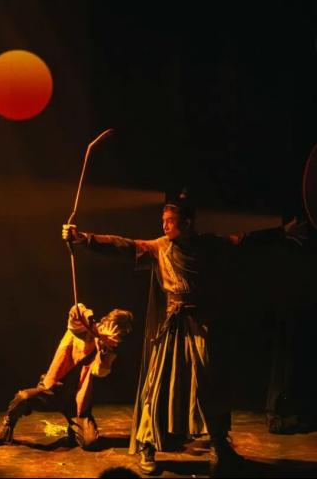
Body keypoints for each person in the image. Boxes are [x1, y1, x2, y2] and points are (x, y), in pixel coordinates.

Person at [62, 190, 306, 475]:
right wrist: (83, 238)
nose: (164, 225)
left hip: (200, 327)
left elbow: (244, 241)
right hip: (172, 329)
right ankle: (148, 446)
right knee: (158, 386)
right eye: (163, 220)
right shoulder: (160, 248)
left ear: (187, 223)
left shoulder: (207, 246)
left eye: (170, 220)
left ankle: (219, 446)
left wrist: (281, 233)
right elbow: (123, 245)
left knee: (209, 385)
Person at [0, 303, 133, 450]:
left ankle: (74, 431)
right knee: (23, 397)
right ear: (107, 323)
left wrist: (103, 350)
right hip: (53, 390)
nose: (117, 340)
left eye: (121, 336)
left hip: (76, 400)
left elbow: (100, 372)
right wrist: (94, 328)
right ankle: (6, 429)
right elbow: (76, 311)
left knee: (91, 443)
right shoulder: (82, 329)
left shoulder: (108, 350)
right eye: (117, 333)